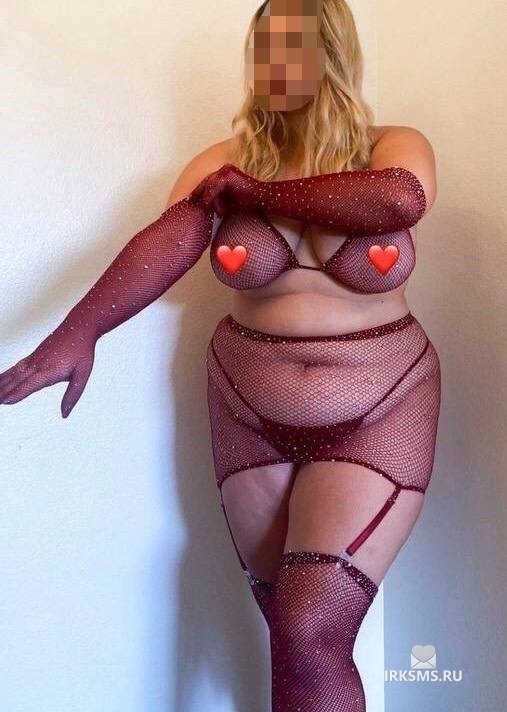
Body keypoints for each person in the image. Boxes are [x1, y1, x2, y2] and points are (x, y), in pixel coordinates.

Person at [0, 0, 441, 709]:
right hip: (247, 411)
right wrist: (78, 333)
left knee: (311, 628)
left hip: (380, 410)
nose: (273, 63)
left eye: (292, 46)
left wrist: (259, 195)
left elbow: (398, 201)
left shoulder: (391, 146)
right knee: (289, 634)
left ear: (332, 53)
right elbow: (168, 244)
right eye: (262, 46)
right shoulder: (223, 161)